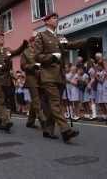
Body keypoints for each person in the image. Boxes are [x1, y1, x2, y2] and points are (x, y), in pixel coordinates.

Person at [33, 13, 79, 143]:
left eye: (57, 18)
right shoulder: (41, 36)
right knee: (55, 103)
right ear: (46, 21)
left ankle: (48, 130)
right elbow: (37, 56)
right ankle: (65, 130)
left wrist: (86, 43)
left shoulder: (60, 37)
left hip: (60, 76)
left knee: (51, 105)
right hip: (47, 76)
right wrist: (52, 57)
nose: (56, 20)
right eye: (53, 18)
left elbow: (70, 45)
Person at [0, 32, 27, 132]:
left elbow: (16, 52)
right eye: (0, 38)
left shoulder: (7, 50)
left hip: (7, 80)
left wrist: (23, 46)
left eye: (3, 38)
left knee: (4, 100)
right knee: (1, 99)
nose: (2, 39)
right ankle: (6, 121)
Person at [20, 37, 45, 129]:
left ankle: (30, 122)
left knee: (36, 101)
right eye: (36, 42)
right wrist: (32, 66)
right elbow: (23, 66)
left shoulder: (40, 51)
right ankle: (43, 120)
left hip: (41, 79)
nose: (37, 43)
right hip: (31, 79)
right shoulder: (25, 52)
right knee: (36, 100)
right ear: (31, 42)